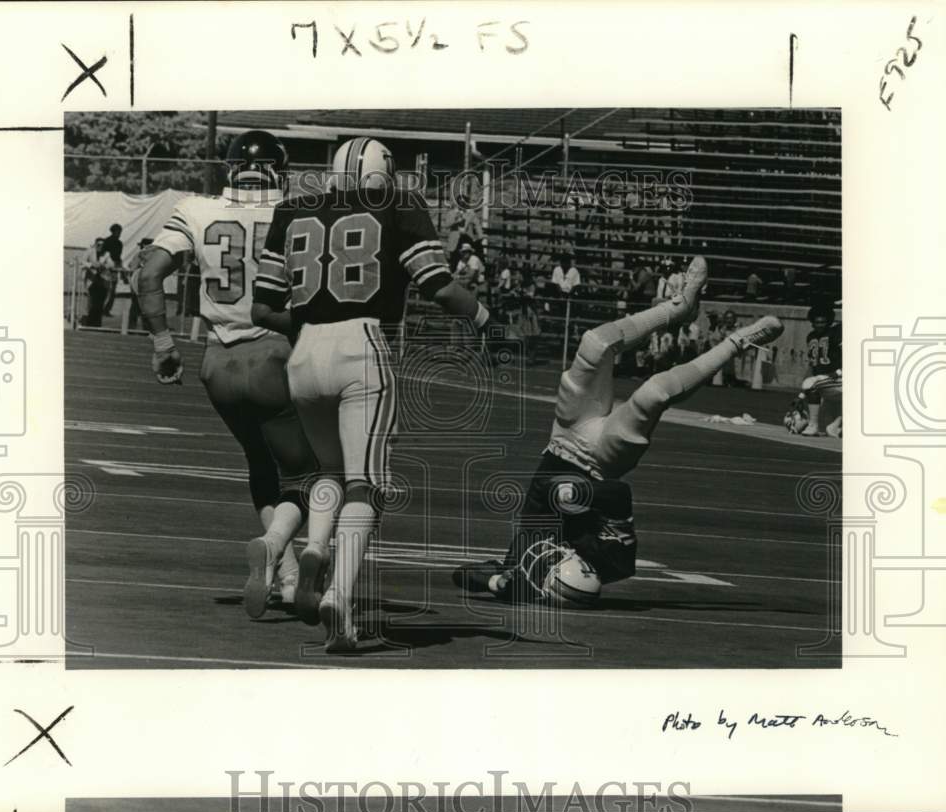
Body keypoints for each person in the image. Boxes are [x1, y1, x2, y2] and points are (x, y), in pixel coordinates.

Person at [251, 137, 494, 652]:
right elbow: (440, 286)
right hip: (362, 344)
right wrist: (484, 318)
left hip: (303, 354)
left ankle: (315, 545)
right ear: (384, 173)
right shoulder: (399, 205)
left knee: (328, 473)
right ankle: (340, 594)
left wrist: (314, 322)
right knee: (367, 486)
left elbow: (263, 308)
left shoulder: (294, 208)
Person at [454, 257, 785, 605]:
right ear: (573, 562)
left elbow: (462, 574)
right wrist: (574, 493)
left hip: (563, 439)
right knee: (654, 393)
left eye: (545, 564)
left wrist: (497, 582)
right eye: (554, 559)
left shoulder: (526, 568)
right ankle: (737, 343)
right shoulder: (612, 560)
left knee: (594, 344)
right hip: (601, 461)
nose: (545, 554)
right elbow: (619, 496)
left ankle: (678, 308)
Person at [135, 129, 317, 619]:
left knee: (261, 463)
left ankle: (288, 577)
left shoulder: (196, 209)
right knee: (313, 474)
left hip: (217, 362)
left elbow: (148, 275)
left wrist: (162, 341)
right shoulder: (303, 209)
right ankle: (278, 551)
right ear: (279, 169)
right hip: (276, 355)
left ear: (231, 168)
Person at [799, 302, 842, 437]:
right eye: (817, 322)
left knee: (811, 383)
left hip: (839, 378)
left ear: (829, 321)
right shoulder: (811, 337)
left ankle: (813, 426)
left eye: (823, 322)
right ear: (812, 322)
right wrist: (801, 394)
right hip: (825, 382)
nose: (819, 325)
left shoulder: (836, 332)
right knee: (830, 430)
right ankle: (838, 424)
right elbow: (812, 365)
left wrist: (839, 372)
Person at [101, 224, 125, 317]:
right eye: (118, 231)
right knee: (105, 289)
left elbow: (118, 257)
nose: (119, 234)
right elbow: (103, 255)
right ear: (113, 231)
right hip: (106, 266)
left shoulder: (119, 243)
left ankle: (106, 309)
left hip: (115, 266)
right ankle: (101, 308)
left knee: (112, 290)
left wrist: (121, 270)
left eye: (120, 232)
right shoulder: (106, 241)